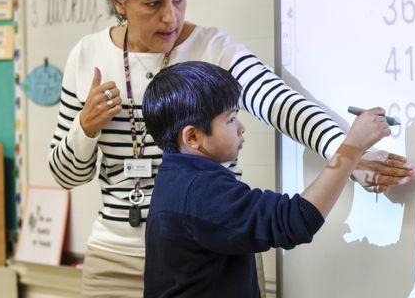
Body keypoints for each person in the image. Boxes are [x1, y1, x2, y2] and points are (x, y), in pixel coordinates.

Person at [47, 0, 414, 297]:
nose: (171, 16)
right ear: (119, 2)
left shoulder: (213, 48)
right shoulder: (88, 56)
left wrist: (347, 153)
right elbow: (65, 175)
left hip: (212, 257)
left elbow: (280, 103)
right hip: (115, 260)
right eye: (153, 4)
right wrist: (85, 128)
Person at [141, 61, 397, 297]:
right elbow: (297, 219)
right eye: (230, 119)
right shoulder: (200, 191)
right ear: (193, 137)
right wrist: (352, 145)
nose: (241, 127)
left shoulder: (176, 177)